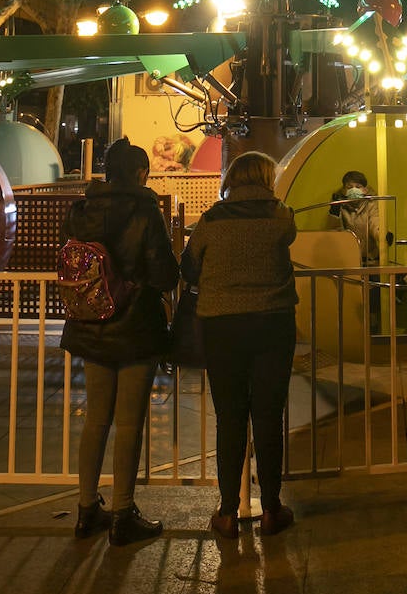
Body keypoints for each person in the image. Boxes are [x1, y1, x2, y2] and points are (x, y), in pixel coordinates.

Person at [60, 137, 179, 546]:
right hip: (135, 330)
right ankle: (123, 513)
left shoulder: (81, 210)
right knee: (128, 424)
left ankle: (86, 508)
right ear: (140, 172)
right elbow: (164, 274)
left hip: (90, 325)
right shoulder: (145, 210)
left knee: (96, 420)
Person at [181, 150, 297, 540]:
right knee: (267, 415)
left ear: (232, 177)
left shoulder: (211, 220)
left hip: (221, 326)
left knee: (230, 417)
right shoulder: (282, 216)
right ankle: (271, 510)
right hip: (272, 323)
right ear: (267, 177)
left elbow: (189, 267)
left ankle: (228, 512)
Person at [329, 169, 381, 264]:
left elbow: (375, 222)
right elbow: (336, 231)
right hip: (348, 258)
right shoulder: (340, 205)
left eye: (358, 186)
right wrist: (334, 213)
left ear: (365, 189)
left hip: (370, 258)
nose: (354, 190)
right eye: (349, 187)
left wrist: (382, 235)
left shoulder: (371, 203)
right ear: (344, 190)